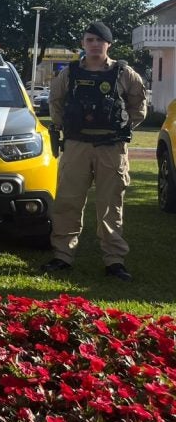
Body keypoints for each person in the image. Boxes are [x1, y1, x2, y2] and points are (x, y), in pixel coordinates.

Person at [39, 21, 147, 281]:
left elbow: (139, 105)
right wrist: (65, 126)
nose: (95, 44)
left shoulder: (124, 73)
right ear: (83, 43)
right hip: (77, 146)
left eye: (100, 40)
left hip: (111, 147)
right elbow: (56, 101)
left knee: (111, 204)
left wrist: (121, 127)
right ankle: (62, 255)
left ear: (109, 44)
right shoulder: (70, 72)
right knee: (68, 201)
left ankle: (114, 260)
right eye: (90, 40)